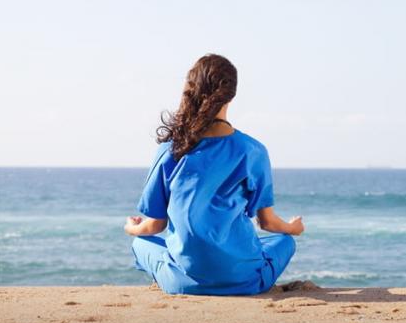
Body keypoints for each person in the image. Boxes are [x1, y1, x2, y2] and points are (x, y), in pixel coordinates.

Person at [125, 53, 304, 295]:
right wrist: (293, 228)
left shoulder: (170, 151)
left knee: (141, 243)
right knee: (285, 241)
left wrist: (132, 228)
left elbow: (155, 225)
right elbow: (268, 223)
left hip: (182, 283)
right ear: (232, 94)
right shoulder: (253, 151)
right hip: (245, 283)